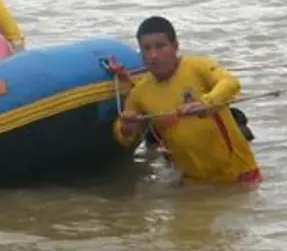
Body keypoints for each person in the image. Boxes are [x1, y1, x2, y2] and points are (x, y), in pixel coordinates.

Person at [110, 16, 261, 185]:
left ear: (175, 46)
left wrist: (206, 103)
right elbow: (124, 137)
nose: (153, 55)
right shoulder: (139, 92)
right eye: (147, 48)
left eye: (160, 46)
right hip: (193, 183)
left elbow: (230, 83)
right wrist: (126, 128)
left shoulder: (198, 67)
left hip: (238, 175)